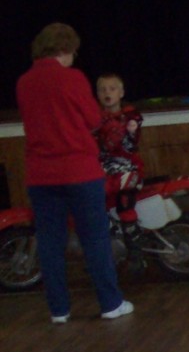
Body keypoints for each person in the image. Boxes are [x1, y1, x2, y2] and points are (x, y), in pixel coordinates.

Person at [16, 23, 133, 323]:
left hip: (41, 174)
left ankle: (59, 310)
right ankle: (110, 303)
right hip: (79, 170)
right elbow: (94, 119)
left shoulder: (24, 82)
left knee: (50, 242)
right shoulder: (73, 78)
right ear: (65, 49)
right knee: (94, 238)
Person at [96, 73, 145, 266]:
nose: (107, 93)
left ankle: (136, 252)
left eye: (112, 88)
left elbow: (133, 128)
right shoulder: (94, 118)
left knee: (125, 202)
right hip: (102, 169)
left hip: (127, 167)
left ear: (121, 92)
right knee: (93, 202)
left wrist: (131, 126)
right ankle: (104, 251)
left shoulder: (130, 115)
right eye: (102, 89)